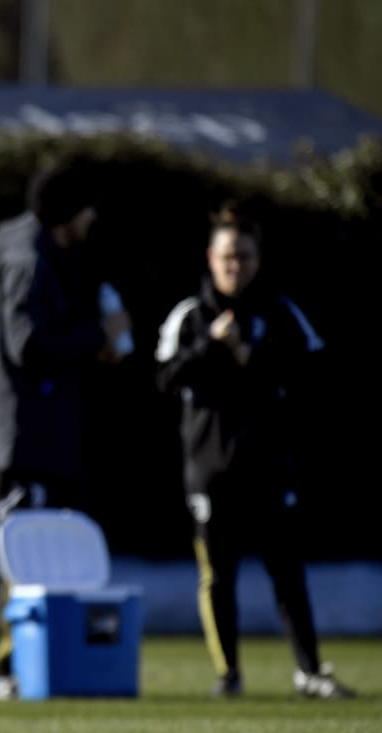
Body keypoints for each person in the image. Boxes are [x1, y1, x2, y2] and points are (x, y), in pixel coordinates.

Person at [154, 201, 356, 700]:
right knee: (217, 577)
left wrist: (252, 357)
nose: (234, 266)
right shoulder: (189, 316)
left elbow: (316, 375)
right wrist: (210, 348)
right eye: (226, 256)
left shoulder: (281, 313)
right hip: (210, 470)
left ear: (257, 259)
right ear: (210, 257)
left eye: (243, 256)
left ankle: (309, 671)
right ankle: (229, 676)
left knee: (287, 574)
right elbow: (163, 379)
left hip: (269, 468)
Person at [0, 159, 132, 701]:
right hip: (24, 437)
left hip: (45, 436)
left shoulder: (45, 253)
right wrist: (97, 335)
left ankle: (43, 667)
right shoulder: (29, 260)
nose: (93, 216)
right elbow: (29, 344)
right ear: (69, 212)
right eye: (87, 206)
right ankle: (1, 672)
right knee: (22, 554)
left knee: (48, 556)